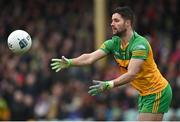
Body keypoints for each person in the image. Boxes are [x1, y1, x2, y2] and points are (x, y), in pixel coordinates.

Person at [50, 6, 172, 121]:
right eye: (112, 20)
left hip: (156, 91)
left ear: (128, 23)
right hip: (145, 93)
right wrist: (71, 62)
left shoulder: (140, 44)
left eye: (116, 20)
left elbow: (132, 74)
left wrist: (109, 84)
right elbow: (90, 57)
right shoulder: (113, 43)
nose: (112, 24)